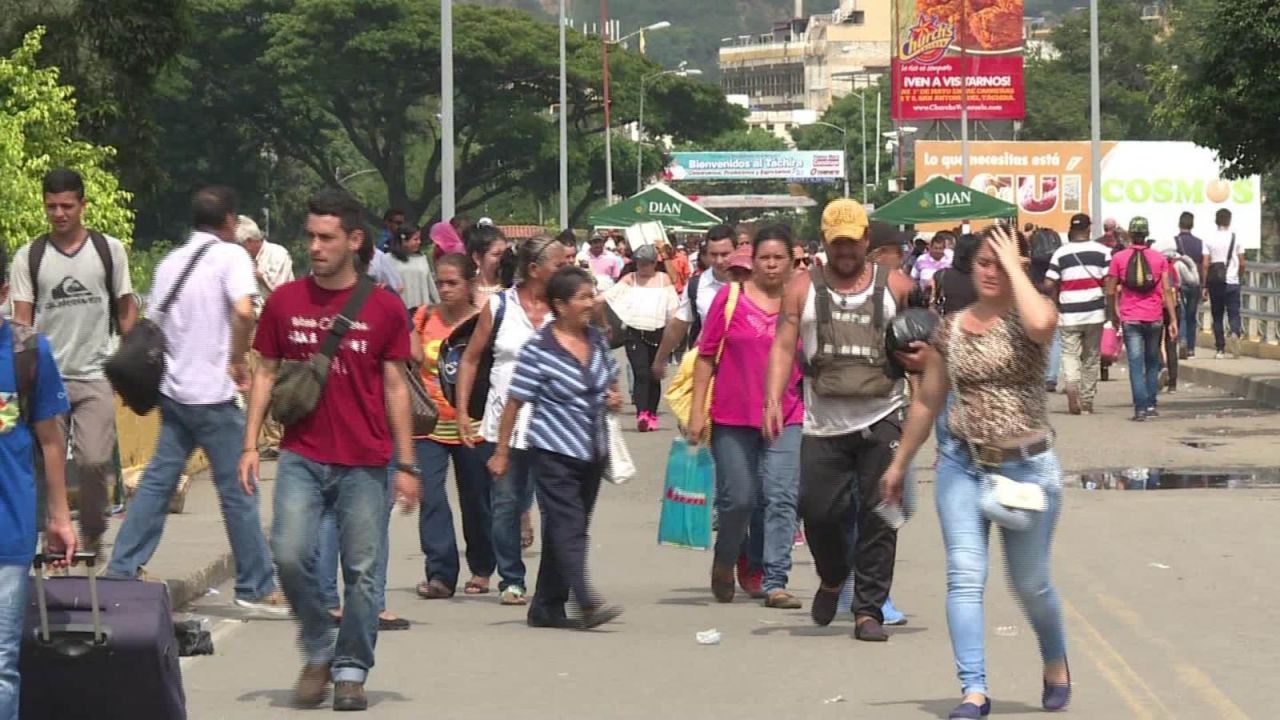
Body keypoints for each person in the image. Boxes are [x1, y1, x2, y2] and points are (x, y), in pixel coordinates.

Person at [239, 189, 420, 711]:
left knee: (362, 571)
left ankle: (350, 668)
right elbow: (265, 373)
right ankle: (318, 646)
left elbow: (394, 389)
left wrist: (406, 463)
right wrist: (249, 445)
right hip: (302, 455)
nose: (315, 247)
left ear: (354, 240)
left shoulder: (384, 308)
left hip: (366, 461)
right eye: (311, 236)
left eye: (327, 237)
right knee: (290, 555)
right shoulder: (285, 301)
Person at [881, 225, 1070, 719]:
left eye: (1001, 262)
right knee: (965, 576)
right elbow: (927, 400)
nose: (990, 271)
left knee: (1030, 584)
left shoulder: (1031, 318)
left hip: (1026, 469)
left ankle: (1054, 658)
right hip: (964, 466)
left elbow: (1043, 322)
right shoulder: (953, 327)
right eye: (983, 262)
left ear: (1019, 266)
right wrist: (900, 463)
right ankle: (974, 690)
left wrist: (1015, 265)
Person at [105, 187, 284, 616]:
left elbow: (158, 325)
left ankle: (123, 567)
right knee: (238, 489)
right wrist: (237, 359)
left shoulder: (170, 263)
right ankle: (256, 583)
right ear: (229, 221)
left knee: (157, 484)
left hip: (176, 391)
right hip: (214, 394)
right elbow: (244, 311)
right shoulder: (232, 257)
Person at [764, 199, 916, 643]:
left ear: (867, 240)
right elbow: (782, 345)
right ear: (825, 242)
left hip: (884, 413)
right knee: (818, 512)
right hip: (823, 422)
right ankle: (832, 577)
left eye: (853, 242)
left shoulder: (898, 287)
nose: (846, 251)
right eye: (838, 243)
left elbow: (922, 347)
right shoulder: (800, 289)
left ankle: (868, 610)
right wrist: (773, 397)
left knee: (880, 516)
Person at [488, 266, 623, 630]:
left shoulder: (596, 340)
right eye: (583, 297)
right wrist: (501, 452)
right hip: (552, 452)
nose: (591, 302)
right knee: (570, 526)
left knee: (565, 529)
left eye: (591, 294)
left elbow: (611, 378)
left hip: (592, 451)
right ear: (560, 305)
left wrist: (612, 396)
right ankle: (584, 599)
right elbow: (515, 402)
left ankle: (546, 606)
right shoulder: (539, 349)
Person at [10, 168, 137, 553]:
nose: (60, 213)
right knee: (42, 465)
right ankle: (53, 536)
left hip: (95, 374)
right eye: (52, 206)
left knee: (94, 460)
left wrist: (132, 364)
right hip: (46, 380)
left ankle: (94, 532)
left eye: (67, 206)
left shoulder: (108, 250)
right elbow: (21, 323)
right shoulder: (29, 257)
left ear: (83, 204)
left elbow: (126, 309)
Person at [688, 225, 804, 609]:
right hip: (732, 416)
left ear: (792, 262)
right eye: (764, 258)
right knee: (738, 500)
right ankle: (726, 561)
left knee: (781, 497)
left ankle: (775, 580)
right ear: (752, 262)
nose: (771, 265)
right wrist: (696, 411)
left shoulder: (801, 301)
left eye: (779, 258)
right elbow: (706, 355)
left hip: (786, 414)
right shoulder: (731, 298)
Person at [457, 236, 569, 607]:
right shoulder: (499, 306)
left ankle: (554, 581)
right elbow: (471, 359)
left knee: (555, 505)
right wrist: (460, 411)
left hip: (554, 424)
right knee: (505, 502)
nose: (564, 270)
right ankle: (511, 579)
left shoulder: (565, 309)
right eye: (558, 264)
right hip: (502, 423)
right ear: (535, 270)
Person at [0, 244, 77, 720]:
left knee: (2, 663)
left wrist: (59, 516)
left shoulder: (29, 352)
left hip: (8, 532)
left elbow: (51, 439)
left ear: (3, 293)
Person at [411, 255, 495, 599]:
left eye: (452, 283)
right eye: (440, 282)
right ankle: (441, 575)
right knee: (430, 497)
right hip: (427, 424)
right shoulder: (421, 317)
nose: (444, 290)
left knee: (477, 499)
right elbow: (409, 362)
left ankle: (482, 567)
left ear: (470, 284)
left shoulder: (483, 322)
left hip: (472, 424)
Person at [1106, 217, 1176, 422]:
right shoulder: (1159, 259)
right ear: (1146, 235)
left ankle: (1140, 408)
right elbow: (1168, 291)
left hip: (1130, 318)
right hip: (1154, 317)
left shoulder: (1119, 258)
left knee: (1135, 363)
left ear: (1129, 234)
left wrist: (1113, 313)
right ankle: (1152, 404)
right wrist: (1172, 319)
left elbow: (1110, 289)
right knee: (1152, 361)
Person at [604, 244, 678, 432]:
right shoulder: (630, 279)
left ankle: (652, 413)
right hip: (634, 333)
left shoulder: (663, 280)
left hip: (659, 332)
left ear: (654, 263)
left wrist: (674, 333)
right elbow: (608, 297)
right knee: (641, 373)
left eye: (647, 263)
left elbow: (673, 308)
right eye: (640, 263)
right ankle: (642, 413)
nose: (643, 267)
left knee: (655, 375)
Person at [236, 215, 293, 459]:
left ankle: (280, 437)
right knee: (257, 382)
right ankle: (266, 438)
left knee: (278, 381)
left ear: (250, 241)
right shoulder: (242, 261)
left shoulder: (276, 255)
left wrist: (260, 277)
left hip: (280, 324)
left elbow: (280, 294)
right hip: (254, 325)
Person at [1044, 213, 1110, 416]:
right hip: (1094, 313)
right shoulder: (1103, 252)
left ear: (1072, 230)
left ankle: (1072, 386)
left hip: (1069, 313)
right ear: (1089, 229)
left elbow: (1048, 282)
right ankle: (1087, 400)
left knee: (1070, 354)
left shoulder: (1061, 253)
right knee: (1090, 357)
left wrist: (1057, 298)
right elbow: (1110, 283)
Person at [650, 225, 736, 378]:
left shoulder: (752, 282)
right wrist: (660, 358)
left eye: (725, 254)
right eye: (713, 254)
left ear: (736, 252)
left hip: (746, 366)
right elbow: (678, 325)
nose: (719, 260)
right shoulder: (697, 285)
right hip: (709, 368)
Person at [1204, 208, 1246, 359]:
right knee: (1234, 312)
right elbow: (1242, 262)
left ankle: (1220, 349)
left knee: (1217, 315)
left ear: (1216, 220)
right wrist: (1239, 275)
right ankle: (1234, 332)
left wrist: (1205, 285)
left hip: (1216, 282)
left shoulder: (1209, 238)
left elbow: (1205, 263)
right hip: (1233, 281)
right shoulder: (1236, 238)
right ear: (1229, 220)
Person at [1167, 211, 1205, 358]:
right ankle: (1191, 349)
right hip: (1195, 282)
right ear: (1192, 225)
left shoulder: (1175, 242)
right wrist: (1203, 284)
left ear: (1179, 224)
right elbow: (1202, 264)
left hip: (1179, 283)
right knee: (1191, 315)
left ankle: (1182, 341)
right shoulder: (1199, 242)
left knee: (1181, 314)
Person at [387, 225, 439, 320]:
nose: (419, 242)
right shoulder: (388, 259)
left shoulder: (421, 258)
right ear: (403, 240)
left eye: (419, 239)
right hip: (398, 311)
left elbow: (430, 284)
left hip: (422, 311)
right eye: (415, 239)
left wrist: (438, 304)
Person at [932, 233, 980, 316]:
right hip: (978, 324)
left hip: (947, 324)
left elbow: (932, 305)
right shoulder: (984, 278)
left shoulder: (940, 275)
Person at [465, 224, 509, 309]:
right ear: (477, 258)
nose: (503, 259)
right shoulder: (465, 291)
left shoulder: (514, 289)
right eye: (496, 254)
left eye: (505, 253)